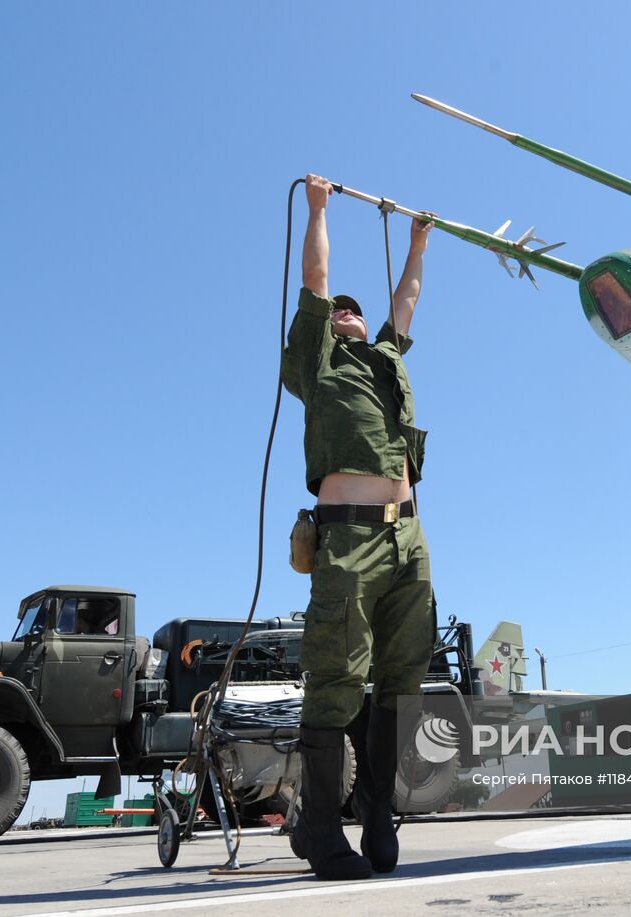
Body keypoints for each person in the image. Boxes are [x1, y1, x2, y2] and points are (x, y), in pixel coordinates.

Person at [280, 173, 435, 880]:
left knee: (403, 681)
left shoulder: (386, 358)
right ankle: (319, 829)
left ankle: (378, 808)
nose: (347, 313)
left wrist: (417, 240)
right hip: (348, 537)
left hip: (409, 536)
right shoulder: (319, 361)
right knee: (339, 675)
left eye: (354, 311)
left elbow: (406, 299)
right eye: (340, 311)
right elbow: (316, 276)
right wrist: (319, 208)